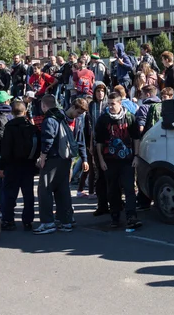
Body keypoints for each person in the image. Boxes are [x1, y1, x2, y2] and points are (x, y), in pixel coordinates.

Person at [34, 95, 85, 235]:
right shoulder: (62, 117)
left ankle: (47, 222)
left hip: (53, 158)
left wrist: (42, 157)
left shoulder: (50, 118)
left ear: (44, 105)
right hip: (65, 158)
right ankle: (66, 221)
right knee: (63, 191)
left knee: (44, 190)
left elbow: (48, 139)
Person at [95, 92, 142, 229]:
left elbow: (136, 138)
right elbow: (99, 142)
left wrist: (136, 156)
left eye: (113, 104)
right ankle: (115, 217)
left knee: (129, 188)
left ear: (120, 103)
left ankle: (131, 216)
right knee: (113, 190)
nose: (110, 107)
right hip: (110, 160)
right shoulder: (103, 119)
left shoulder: (129, 117)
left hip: (127, 160)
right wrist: (101, 160)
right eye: (108, 104)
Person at [0, 100, 39, 231]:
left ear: (12, 112)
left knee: (10, 193)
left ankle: (8, 220)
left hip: (12, 165)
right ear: (25, 111)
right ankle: (28, 221)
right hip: (28, 164)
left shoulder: (10, 127)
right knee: (28, 194)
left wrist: (2, 166)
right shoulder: (31, 127)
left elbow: (6, 149)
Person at [88, 82, 109, 216]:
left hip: (108, 144)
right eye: (97, 91)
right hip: (96, 143)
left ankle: (114, 203)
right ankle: (102, 205)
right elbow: (91, 127)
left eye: (102, 91)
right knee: (99, 175)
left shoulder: (108, 105)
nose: (100, 93)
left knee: (110, 175)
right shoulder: (92, 106)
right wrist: (91, 144)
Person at [0, 91, 14, 216]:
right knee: (8, 184)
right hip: (7, 155)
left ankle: (2, 210)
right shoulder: (10, 117)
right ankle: (8, 209)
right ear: (6, 102)